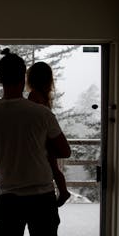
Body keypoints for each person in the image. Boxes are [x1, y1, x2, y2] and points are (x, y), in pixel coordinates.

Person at [0, 48, 71, 236]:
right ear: (23, 79)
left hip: (8, 199)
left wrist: (9, 148)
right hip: (42, 198)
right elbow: (64, 150)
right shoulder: (41, 114)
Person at [26, 62, 71, 207]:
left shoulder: (34, 96)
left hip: (42, 139)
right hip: (46, 137)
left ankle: (64, 192)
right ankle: (63, 191)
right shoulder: (43, 96)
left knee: (53, 166)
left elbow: (34, 119)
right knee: (54, 167)